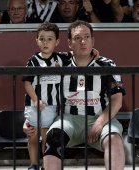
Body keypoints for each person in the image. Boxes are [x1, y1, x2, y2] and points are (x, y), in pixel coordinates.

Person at [23, 20, 126, 170]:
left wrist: (99, 123)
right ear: (69, 43)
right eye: (77, 38)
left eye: (87, 37)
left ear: (93, 40)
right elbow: (36, 87)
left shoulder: (107, 65)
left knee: (114, 139)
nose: (83, 42)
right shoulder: (59, 62)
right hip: (68, 119)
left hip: (100, 117)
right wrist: (31, 118)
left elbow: (117, 100)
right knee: (53, 136)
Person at [22, 22, 73, 170]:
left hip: (51, 106)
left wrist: (93, 51)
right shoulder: (33, 61)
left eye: (50, 39)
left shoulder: (61, 59)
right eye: (42, 39)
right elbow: (27, 83)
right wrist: (36, 100)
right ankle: (33, 164)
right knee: (32, 135)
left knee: (46, 136)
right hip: (33, 104)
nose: (46, 42)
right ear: (36, 40)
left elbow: (75, 53)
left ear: (57, 42)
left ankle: (46, 165)